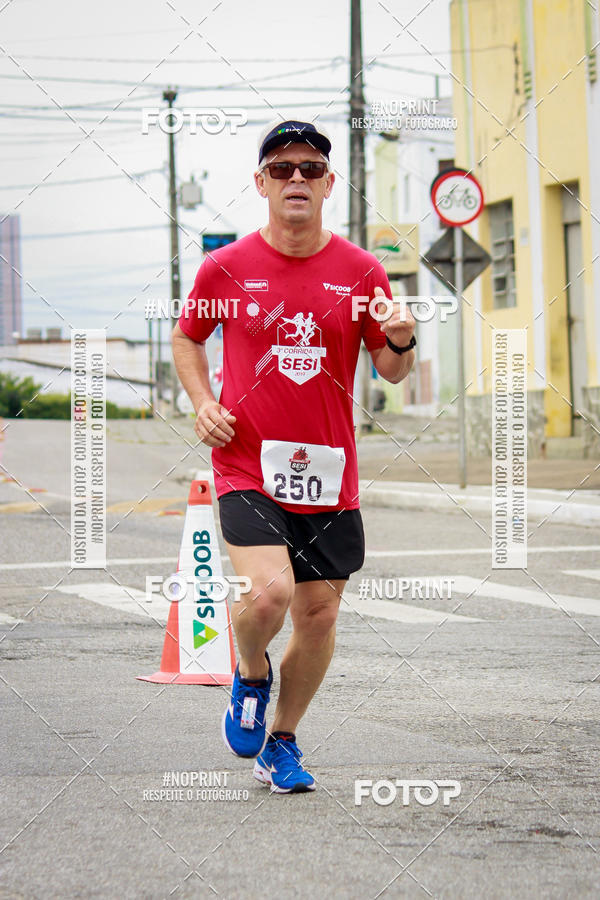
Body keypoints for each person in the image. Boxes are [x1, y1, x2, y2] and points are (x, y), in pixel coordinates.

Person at [172, 119, 416, 793]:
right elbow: (188, 338)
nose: (297, 178)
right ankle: (250, 672)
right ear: (262, 183)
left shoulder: (362, 271)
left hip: (330, 475)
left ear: (329, 184)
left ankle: (281, 740)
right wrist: (203, 402)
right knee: (270, 595)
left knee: (318, 615)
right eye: (282, 169)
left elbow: (391, 370)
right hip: (247, 463)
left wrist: (401, 339)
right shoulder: (225, 267)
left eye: (311, 168)